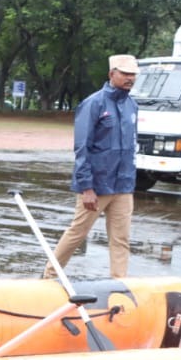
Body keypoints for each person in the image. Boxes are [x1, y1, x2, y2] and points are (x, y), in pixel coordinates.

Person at [44, 54, 139, 279]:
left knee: (121, 239)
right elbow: (82, 148)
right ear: (111, 74)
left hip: (123, 185)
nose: (130, 78)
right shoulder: (93, 103)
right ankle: (49, 275)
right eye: (125, 73)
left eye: (133, 74)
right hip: (96, 185)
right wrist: (86, 187)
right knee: (78, 233)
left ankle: (120, 283)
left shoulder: (132, 105)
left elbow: (131, 145)